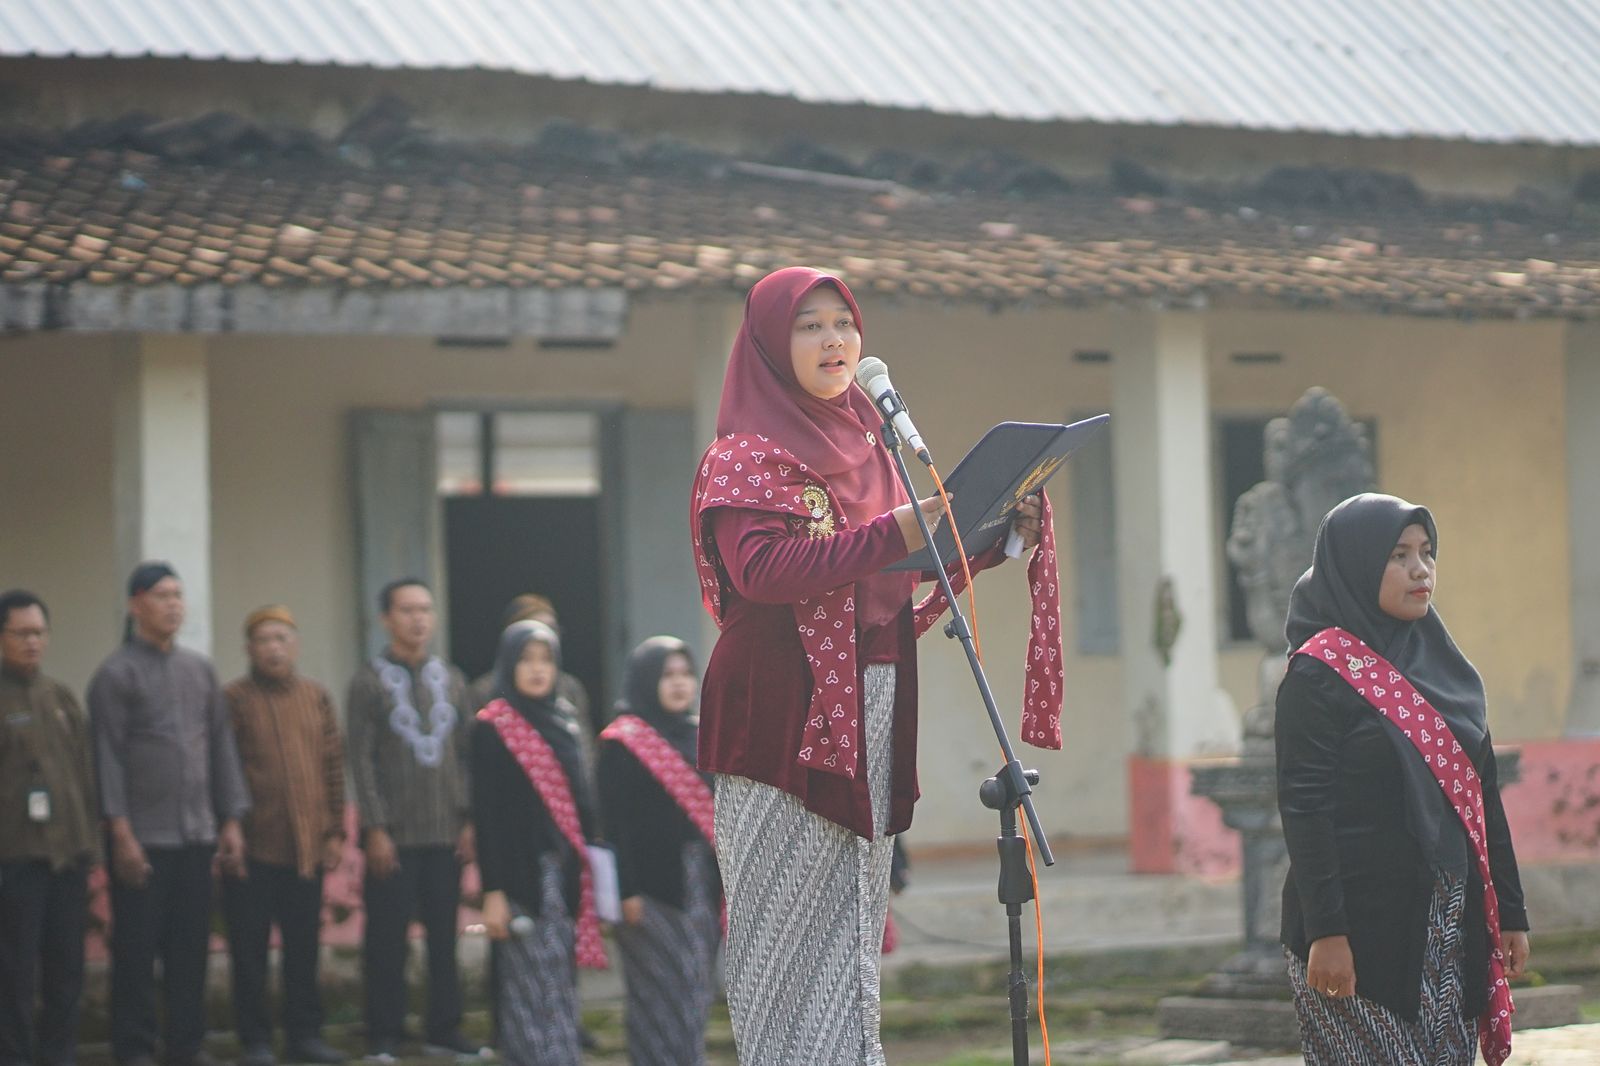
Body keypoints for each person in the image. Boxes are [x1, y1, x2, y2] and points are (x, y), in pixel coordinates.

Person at [688, 266, 1060, 1063]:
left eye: (844, 323)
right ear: (766, 344)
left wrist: (1000, 536)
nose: (834, 341)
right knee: (786, 942)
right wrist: (896, 530)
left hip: (875, 698)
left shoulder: (869, 441)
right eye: (810, 325)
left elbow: (900, 568)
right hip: (778, 719)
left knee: (854, 924)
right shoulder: (742, 454)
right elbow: (764, 572)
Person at [1276, 493, 1532, 1066]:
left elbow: (1484, 800)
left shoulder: (1449, 673)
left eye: (1427, 552)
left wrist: (1510, 913)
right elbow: (1304, 809)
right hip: (1358, 931)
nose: (1421, 569)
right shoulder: (1318, 675)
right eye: (1398, 555)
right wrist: (1327, 932)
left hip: (1446, 925)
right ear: (1358, 565)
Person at [89, 563, 251, 1066]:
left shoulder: (199, 670)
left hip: (197, 834)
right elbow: (106, 758)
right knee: (136, 955)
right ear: (136, 604)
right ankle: (134, 1050)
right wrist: (121, 833)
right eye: (162, 596)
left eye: (179, 595)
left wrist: (230, 820)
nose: (174, 605)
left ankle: (186, 1047)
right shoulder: (116, 674)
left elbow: (221, 749)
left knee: (190, 952)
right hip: (143, 840)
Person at [345, 579, 480, 1062]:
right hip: (393, 838)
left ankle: (444, 1029)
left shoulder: (453, 678)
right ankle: (384, 1033)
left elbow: (466, 753)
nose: (418, 619)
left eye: (425, 609)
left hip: (446, 833)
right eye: (406, 610)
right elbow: (360, 760)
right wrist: (375, 828)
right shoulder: (367, 680)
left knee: (445, 940)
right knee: (386, 942)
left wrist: (468, 819)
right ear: (386, 618)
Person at [472, 621, 606, 1066]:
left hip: (564, 877)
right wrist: (492, 892)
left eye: (545, 659)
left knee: (560, 984)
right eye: (526, 659)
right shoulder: (492, 727)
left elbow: (585, 804)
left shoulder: (567, 722)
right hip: (520, 878)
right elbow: (486, 818)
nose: (536, 669)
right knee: (526, 988)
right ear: (509, 665)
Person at [222, 606, 347, 1066]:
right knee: (249, 952)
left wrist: (334, 830)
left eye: (282, 639)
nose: (274, 648)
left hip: (307, 848)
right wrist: (229, 826)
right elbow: (224, 769)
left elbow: (334, 764)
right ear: (249, 650)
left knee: (303, 950)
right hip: (252, 848)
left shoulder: (316, 697)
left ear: (295, 646)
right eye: (264, 640)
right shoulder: (233, 699)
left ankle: (304, 1036)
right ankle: (254, 1040)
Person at [597, 637, 720, 1066]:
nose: (679, 684)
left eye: (685, 674)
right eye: (667, 675)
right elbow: (612, 826)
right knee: (656, 992)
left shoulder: (703, 733)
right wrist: (626, 890)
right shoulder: (622, 742)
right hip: (649, 890)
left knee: (695, 985)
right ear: (646, 680)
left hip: (700, 885)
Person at [0, 591, 98, 1066]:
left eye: (39, 632)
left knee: (66, 973)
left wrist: (90, 846)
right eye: (21, 633)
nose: (33, 642)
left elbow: (84, 773)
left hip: (68, 859)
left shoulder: (60, 696)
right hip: (15, 861)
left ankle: (58, 1057)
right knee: (14, 975)